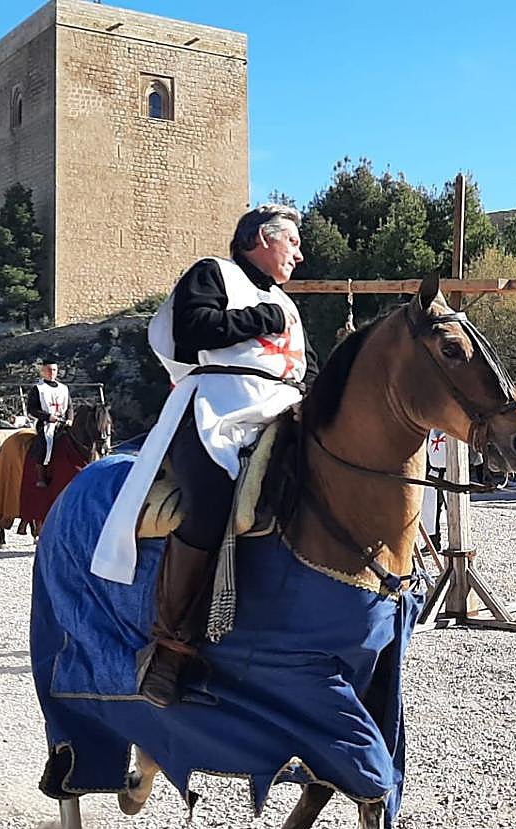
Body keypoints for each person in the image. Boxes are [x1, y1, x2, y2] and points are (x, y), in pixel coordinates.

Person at [90, 203, 314, 708]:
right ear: (263, 237)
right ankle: (170, 647)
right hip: (216, 407)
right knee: (211, 506)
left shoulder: (287, 302)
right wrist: (263, 317)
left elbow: (303, 364)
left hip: (281, 407)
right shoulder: (216, 272)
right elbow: (192, 331)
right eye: (293, 243)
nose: (300, 255)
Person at [27, 358, 71, 488]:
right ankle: (41, 477)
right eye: (49, 370)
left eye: (54, 370)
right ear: (43, 371)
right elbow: (32, 409)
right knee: (43, 444)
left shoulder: (63, 388)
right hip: (46, 424)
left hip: (63, 423)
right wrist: (48, 417)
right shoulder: (38, 389)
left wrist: (70, 419)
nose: (52, 373)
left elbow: (69, 406)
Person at [419, 428, 448, 551]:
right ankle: (433, 542)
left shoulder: (452, 431)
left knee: (453, 509)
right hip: (433, 474)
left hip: (450, 474)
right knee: (430, 510)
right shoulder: (429, 431)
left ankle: (455, 541)